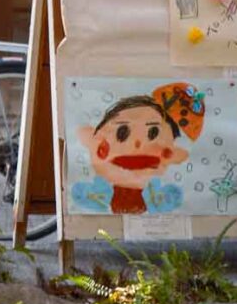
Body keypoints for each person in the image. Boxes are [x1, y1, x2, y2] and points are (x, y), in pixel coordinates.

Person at [72, 83, 203, 215]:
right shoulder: (90, 196)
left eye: (153, 132)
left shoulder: (165, 197)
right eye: (122, 132)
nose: (137, 143)